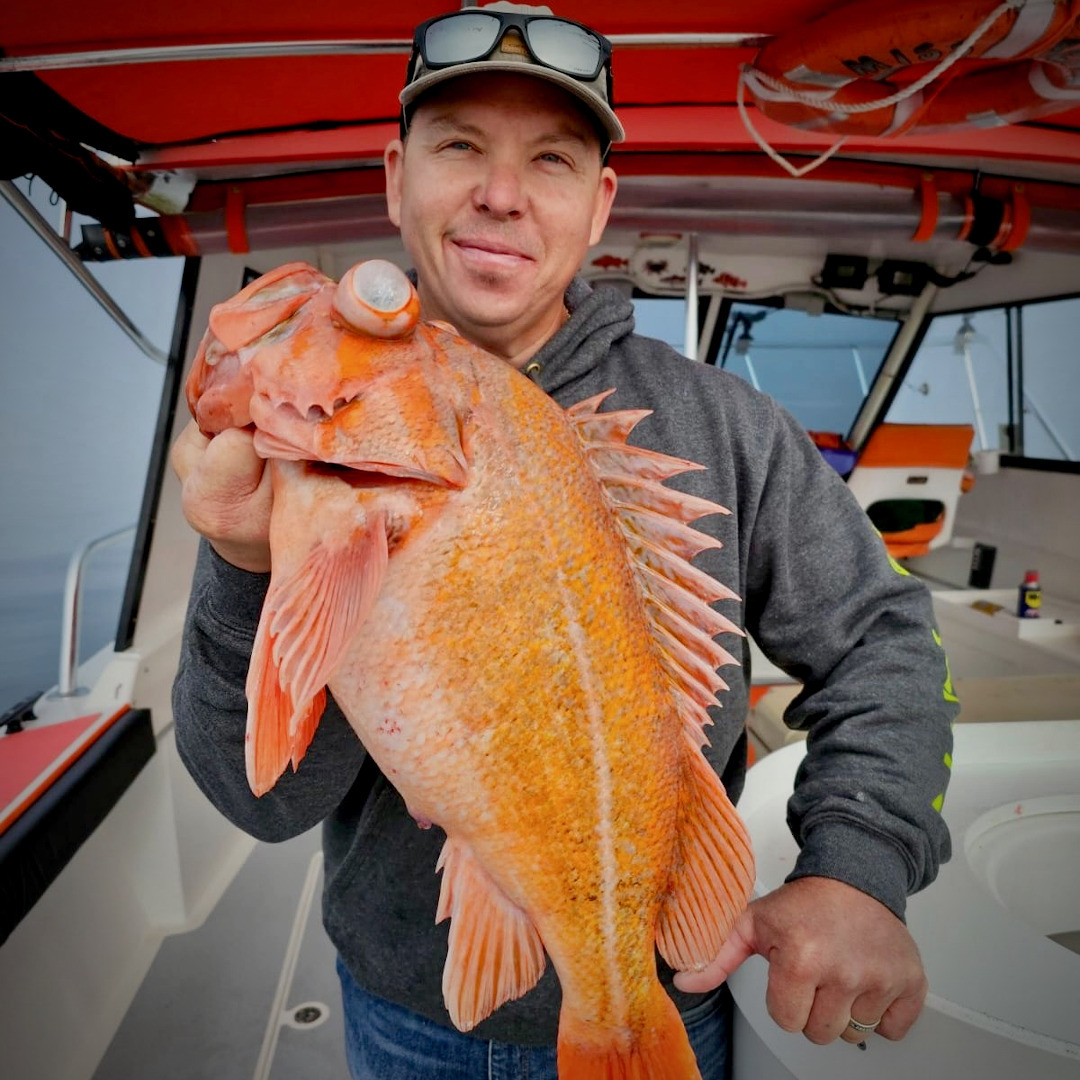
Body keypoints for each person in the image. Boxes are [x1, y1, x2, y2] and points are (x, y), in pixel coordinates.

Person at [170, 4, 957, 1077]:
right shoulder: (305, 466)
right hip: (407, 1011)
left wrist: (859, 869)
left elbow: (885, 638)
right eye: (461, 147)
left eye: (551, 158)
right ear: (398, 177)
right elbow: (262, 803)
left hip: (670, 993)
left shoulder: (731, 427)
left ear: (600, 206)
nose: (502, 192)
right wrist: (245, 562)